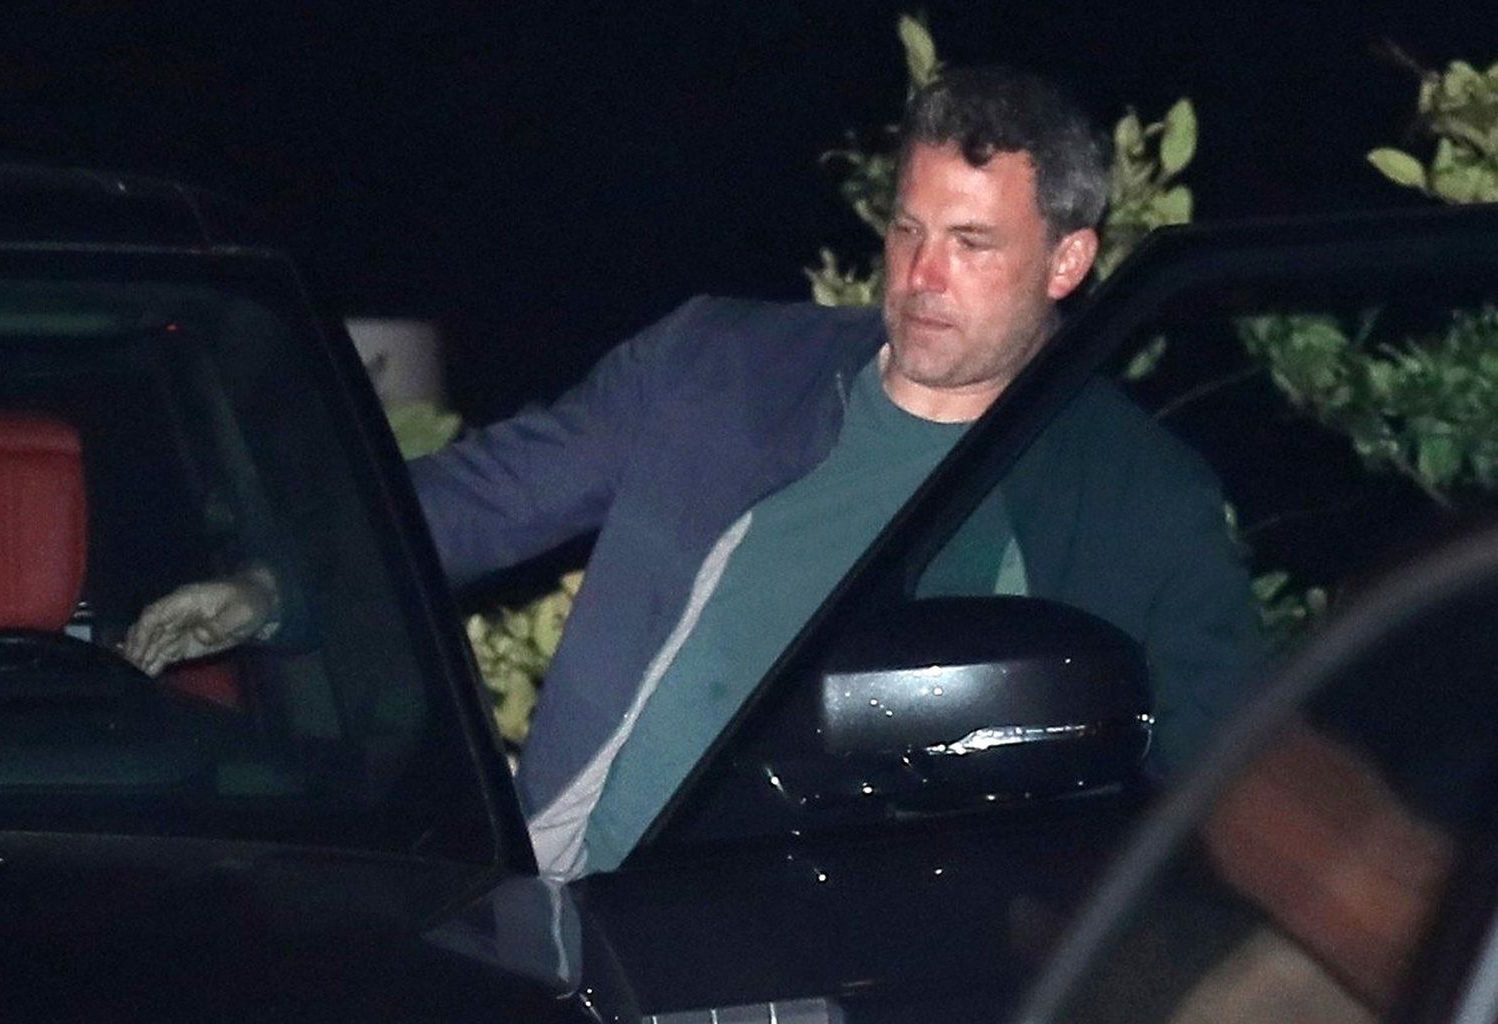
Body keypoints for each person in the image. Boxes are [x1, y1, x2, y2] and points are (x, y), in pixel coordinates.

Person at [126, 66, 1265, 878]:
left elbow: (1229, 787)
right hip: (596, 912)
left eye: (972, 245)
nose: (922, 276)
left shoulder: (1140, 497)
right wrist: (275, 583)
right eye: (909, 231)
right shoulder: (717, 368)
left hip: (908, 967)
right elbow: (480, 499)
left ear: (1068, 261)